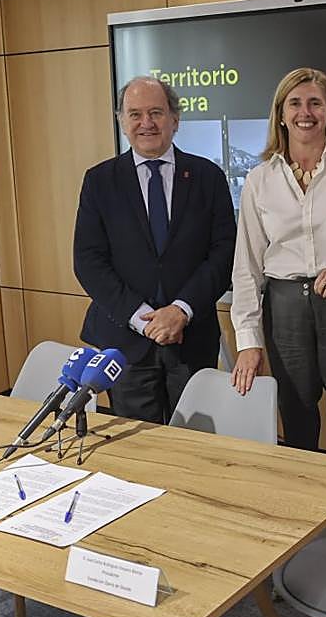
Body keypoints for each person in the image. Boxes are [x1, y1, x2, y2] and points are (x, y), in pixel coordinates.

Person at [230, 67, 326, 452]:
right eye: (294, 103)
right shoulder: (259, 180)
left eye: (315, 102)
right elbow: (246, 267)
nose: (305, 112)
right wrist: (248, 341)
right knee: (296, 422)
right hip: (284, 313)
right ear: (281, 114)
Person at [74, 75, 235, 427]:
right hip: (126, 341)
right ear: (122, 121)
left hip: (192, 339)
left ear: (175, 120)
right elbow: (88, 261)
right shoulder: (100, 181)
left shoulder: (208, 177)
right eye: (135, 114)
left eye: (156, 112)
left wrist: (181, 310)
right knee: (137, 447)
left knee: (196, 443)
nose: (146, 123)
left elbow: (224, 254)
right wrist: (143, 319)